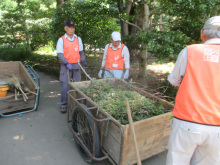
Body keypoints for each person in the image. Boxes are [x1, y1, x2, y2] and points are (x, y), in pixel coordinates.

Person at [166, 16, 220, 165]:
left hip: (187, 122)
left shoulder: (190, 51)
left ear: (202, 33)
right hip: (216, 127)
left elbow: (174, 80)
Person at [56, 20, 87, 113]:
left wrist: (83, 61)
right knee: (65, 86)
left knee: (77, 86)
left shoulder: (78, 39)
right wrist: (66, 63)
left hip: (76, 66)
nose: (71, 29)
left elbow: (81, 52)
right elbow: (60, 54)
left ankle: (76, 104)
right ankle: (63, 105)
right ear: (65, 28)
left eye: (73, 27)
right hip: (66, 66)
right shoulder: (61, 40)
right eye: (69, 27)